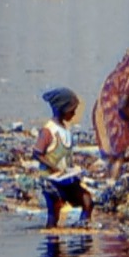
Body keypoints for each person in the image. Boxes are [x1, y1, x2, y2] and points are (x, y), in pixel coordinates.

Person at [32, 87, 93, 229]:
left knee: (87, 200)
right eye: (72, 110)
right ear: (62, 109)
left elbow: (66, 156)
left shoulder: (65, 130)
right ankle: (52, 242)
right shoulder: (49, 130)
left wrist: (73, 170)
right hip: (51, 181)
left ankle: (83, 229)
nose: (74, 113)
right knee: (54, 212)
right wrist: (52, 166)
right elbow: (37, 153)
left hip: (66, 178)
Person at [93, 45, 129, 178]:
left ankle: (108, 180)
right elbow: (122, 108)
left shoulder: (115, 74)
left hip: (100, 114)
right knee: (119, 155)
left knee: (108, 155)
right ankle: (112, 182)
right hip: (113, 118)